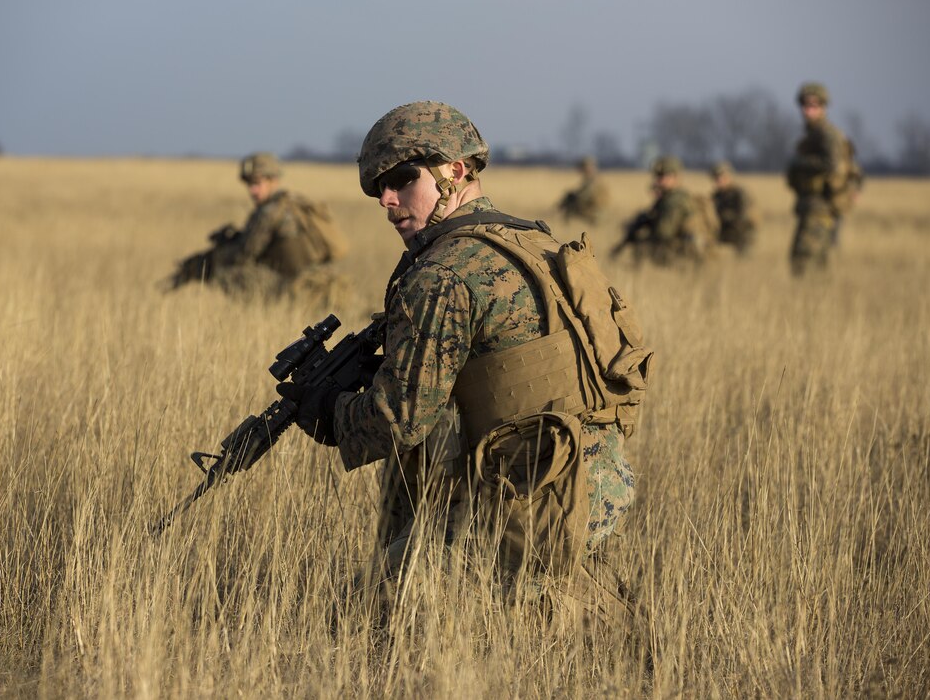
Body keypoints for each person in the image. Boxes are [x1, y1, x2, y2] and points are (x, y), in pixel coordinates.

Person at [277, 102, 653, 623]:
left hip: (533, 498)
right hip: (595, 479)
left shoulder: (443, 273)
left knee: (372, 608)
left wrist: (332, 414)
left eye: (403, 178)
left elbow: (397, 421)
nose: (388, 199)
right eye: (377, 188)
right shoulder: (532, 240)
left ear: (456, 171)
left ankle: (559, 606)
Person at [163, 152, 348, 300]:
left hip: (295, 285)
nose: (253, 190)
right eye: (249, 184)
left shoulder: (270, 212)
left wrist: (217, 254)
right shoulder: (293, 203)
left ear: (273, 181)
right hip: (316, 279)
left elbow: (245, 254)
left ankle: (254, 314)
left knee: (225, 275)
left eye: (257, 184)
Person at [785, 82, 861, 276]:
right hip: (811, 207)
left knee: (804, 261)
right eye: (805, 105)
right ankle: (816, 302)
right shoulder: (812, 136)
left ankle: (810, 301)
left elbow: (833, 165)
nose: (808, 110)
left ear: (823, 107)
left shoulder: (828, 135)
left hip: (821, 208)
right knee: (811, 264)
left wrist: (800, 163)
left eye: (814, 105)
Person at [612, 156, 717, 266]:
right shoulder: (670, 198)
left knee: (642, 246)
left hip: (686, 255)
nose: (657, 180)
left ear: (675, 177)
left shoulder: (676, 201)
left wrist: (644, 230)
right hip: (686, 251)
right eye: (657, 176)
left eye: (662, 176)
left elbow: (664, 232)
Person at [709, 161, 758, 256]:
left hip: (740, 232)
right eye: (716, 178)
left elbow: (743, 216)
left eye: (722, 178)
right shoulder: (716, 196)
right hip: (723, 231)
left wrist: (722, 216)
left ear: (729, 177)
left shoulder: (739, 194)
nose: (719, 181)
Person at [558, 155, 610, 225]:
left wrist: (572, 197)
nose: (581, 169)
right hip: (592, 211)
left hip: (595, 213)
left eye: (583, 167)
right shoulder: (590, 180)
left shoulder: (594, 182)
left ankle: (566, 227)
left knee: (569, 207)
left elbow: (584, 197)